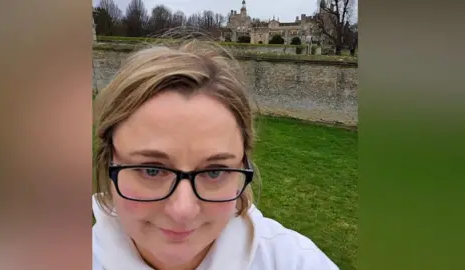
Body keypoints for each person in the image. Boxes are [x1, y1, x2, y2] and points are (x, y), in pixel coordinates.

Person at [92, 39, 339, 270]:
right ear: (108, 162)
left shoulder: (295, 262)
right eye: (152, 170)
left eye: (214, 172)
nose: (183, 210)